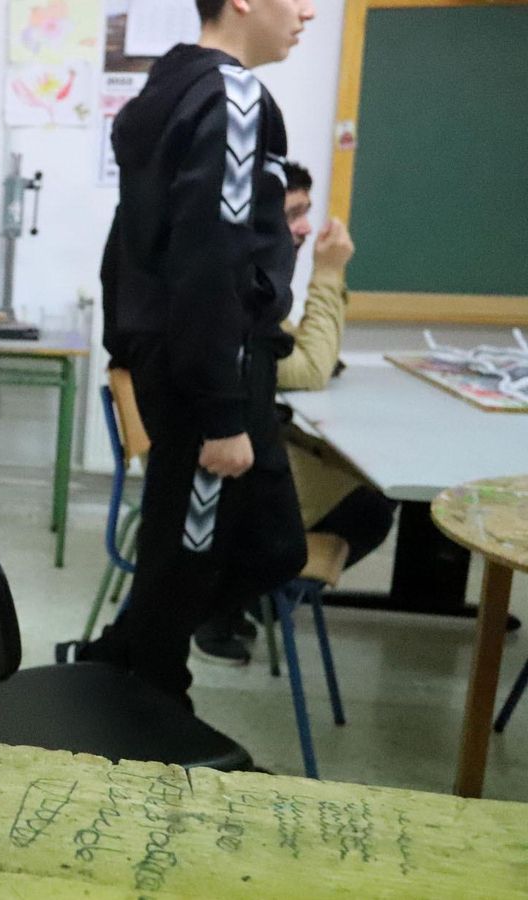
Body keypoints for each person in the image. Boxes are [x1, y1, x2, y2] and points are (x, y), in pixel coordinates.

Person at [62, 0, 316, 705]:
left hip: (184, 361)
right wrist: (221, 412)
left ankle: (114, 665)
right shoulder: (233, 94)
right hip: (214, 370)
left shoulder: (170, 85)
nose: (309, 11)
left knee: (184, 551)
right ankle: (143, 702)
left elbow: (131, 246)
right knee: (221, 557)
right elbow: (212, 255)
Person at [192, 161, 396, 664]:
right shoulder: (233, 287)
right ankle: (230, 600)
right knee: (371, 502)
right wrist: (328, 273)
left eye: (307, 211)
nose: (305, 227)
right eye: (293, 214)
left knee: (365, 484)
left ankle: (251, 593)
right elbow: (308, 369)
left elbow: (296, 354)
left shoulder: (259, 277)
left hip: (240, 448)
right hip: (216, 469)